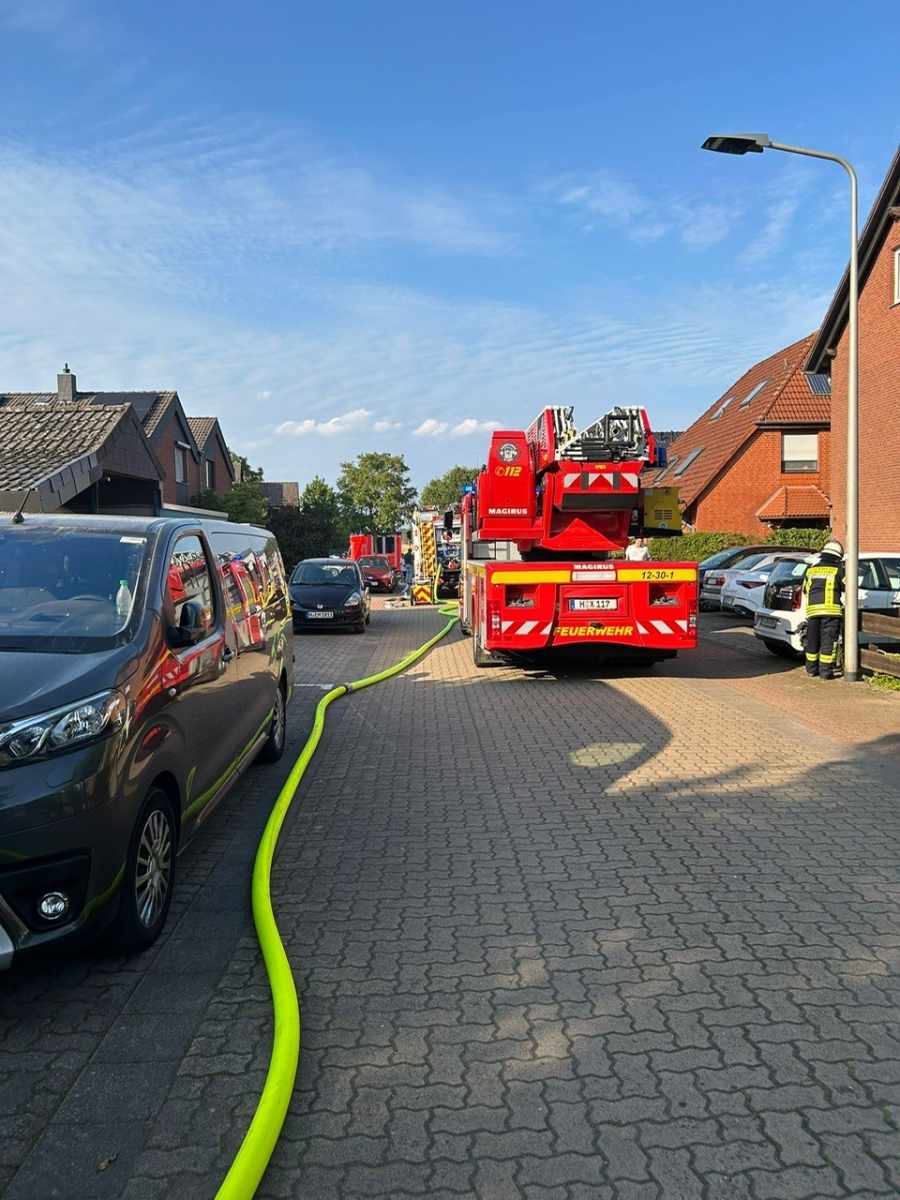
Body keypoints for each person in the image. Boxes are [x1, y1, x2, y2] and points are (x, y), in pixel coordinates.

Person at [802, 539, 844, 680]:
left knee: (812, 641)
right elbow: (848, 587)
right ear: (837, 556)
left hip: (813, 612)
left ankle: (811, 669)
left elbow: (805, 589)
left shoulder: (811, 569)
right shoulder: (839, 570)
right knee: (828, 642)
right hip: (831, 613)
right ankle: (825, 672)